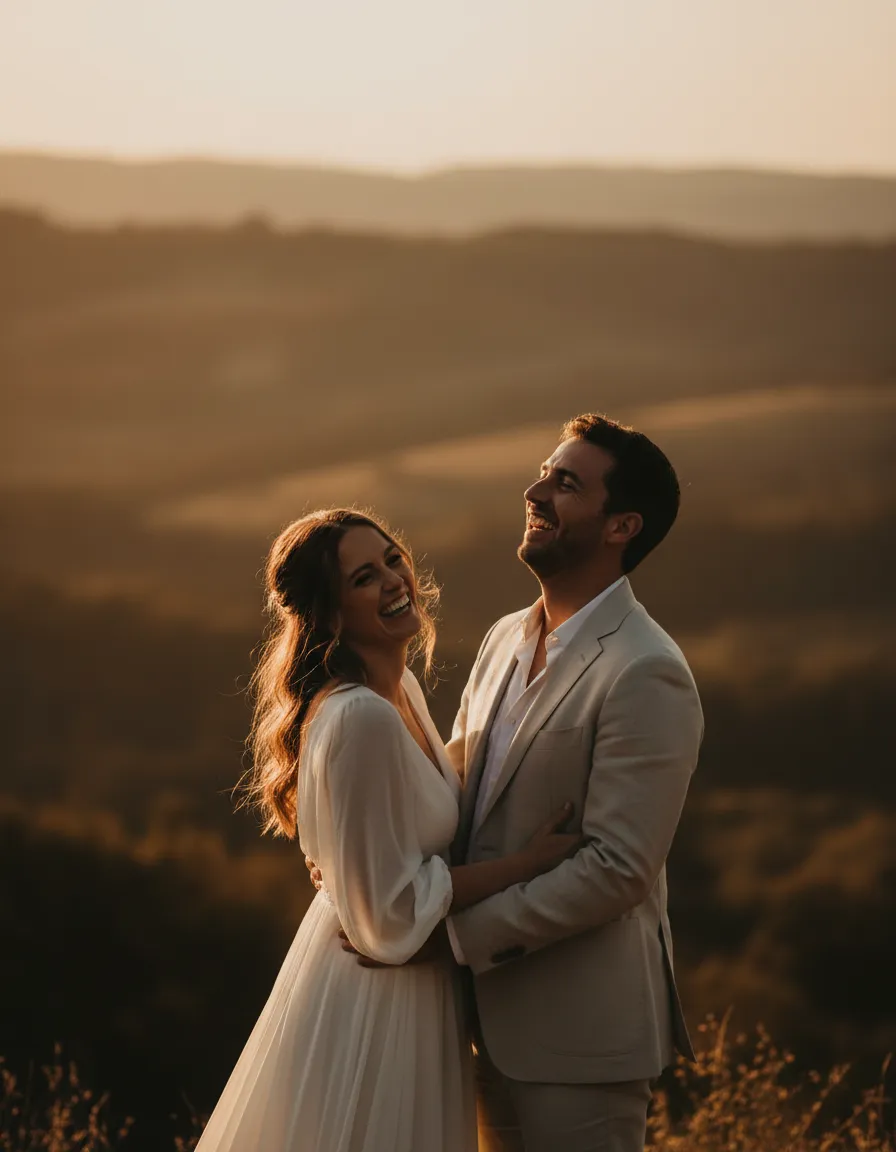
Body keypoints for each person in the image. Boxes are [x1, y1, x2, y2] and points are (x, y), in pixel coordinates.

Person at [332, 413, 704, 1152]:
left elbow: (619, 869)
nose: (535, 490)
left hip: (581, 1041)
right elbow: (453, 786)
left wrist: (453, 941)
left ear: (620, 525)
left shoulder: (647, 670)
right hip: (473, 1027)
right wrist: (357, 855)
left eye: (566, 484)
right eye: (544, 471)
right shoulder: (506, 636)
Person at [194, 508, 580, 1152]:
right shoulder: (360, 718)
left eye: (393, 559)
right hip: (377, 1002)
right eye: (364, 577)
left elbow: (396, 817)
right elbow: (392, 913)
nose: (395, 580)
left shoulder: (400, 694)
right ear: (331, 616)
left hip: (417, 993)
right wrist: (530, 863)